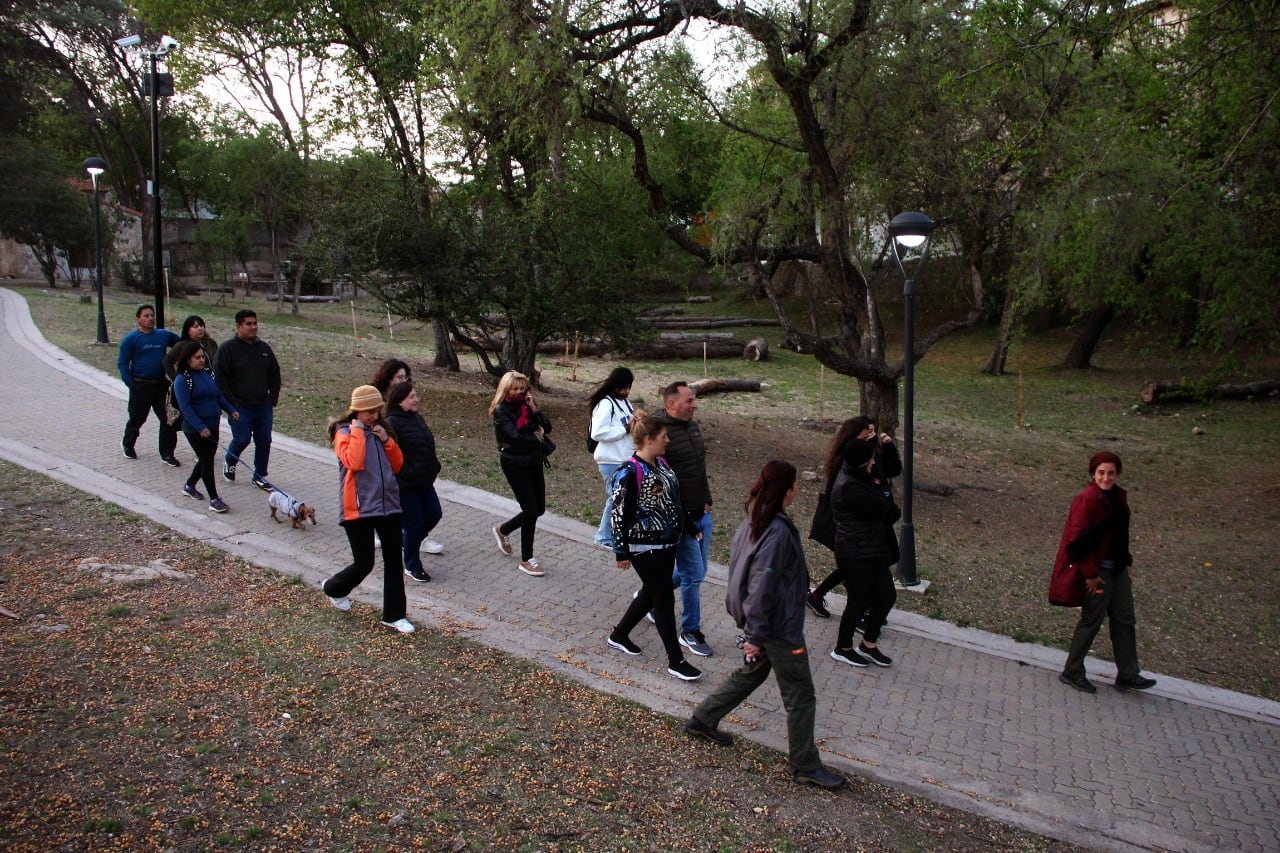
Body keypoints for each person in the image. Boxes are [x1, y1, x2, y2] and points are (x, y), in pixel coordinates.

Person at [685, 460, 846, 790]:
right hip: (778, 628)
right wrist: (756, 635)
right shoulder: (774, 531)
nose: (798, 491)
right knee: (801, 695)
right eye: (796, 486)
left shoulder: (755, 519)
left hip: (767, 624)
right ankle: (806, 764)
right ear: (787, 491)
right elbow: (762, 585)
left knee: (750, 675)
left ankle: (703, 718)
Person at [606, 410, 703, 682]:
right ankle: (676, 660)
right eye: (663, 436)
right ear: (648, 439)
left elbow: (674, 499)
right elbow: (618, 514)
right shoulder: (629, 472)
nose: (668, 440)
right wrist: (621, 551)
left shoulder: (662, 464)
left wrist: (690, 527)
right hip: (644, 548)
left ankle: (619, 634)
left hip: (667, 543)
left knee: (651, 592)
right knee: (663, 599)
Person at [1057, 451, 1157, 694]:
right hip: (1098, 572)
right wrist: (1090, 574)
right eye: (1101, 472)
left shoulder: (1119, 499)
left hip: (1118, 569)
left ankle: (1128, 674)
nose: (1106, 477)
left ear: (1117, 474)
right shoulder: (1087, 500)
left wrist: (1127, 563)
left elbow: (1121, 536)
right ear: (1093, 474)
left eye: (1111, 473)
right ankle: (1072, 671)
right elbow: (1078, 541)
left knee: (1125, 619)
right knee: (1091, 620)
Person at [321, 385, 414, 634]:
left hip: (389, 506)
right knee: (364, 563)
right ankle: (334, 588)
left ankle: (394, 615)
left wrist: (386, 440)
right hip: (358, 510)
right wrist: (358, 432)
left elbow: (397, 465)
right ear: (356, 411)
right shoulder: (344, 433)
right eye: (368, 412)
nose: (374, 415)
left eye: (376, 410)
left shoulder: (381, 431)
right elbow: (354, 462)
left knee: (395, 560)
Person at [807, 416, 901, 619]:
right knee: (861, 565)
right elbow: (861, 486)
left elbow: (892, 470)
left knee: (861, 564)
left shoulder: (869, 452)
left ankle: (820, 596)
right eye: (869, 432)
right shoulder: (851, 457)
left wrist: (887, 448)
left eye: (874, 432)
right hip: (854, 524)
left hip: (869, 522)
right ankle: (861, 611)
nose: (872, 436)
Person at [828, 441, 901, 668]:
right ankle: (843, 647)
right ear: (861, 463)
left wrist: (883, 492)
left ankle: (869, 643)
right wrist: (884, 493)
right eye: (870, 459)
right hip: (855, 551)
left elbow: (885, 507)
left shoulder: (860, 478)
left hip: (872, 549)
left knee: (887, 595)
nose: (874, 462)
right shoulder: (850, 486)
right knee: (858, 602)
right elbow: (883, 508)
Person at [656, 380, 715, 657]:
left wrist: (706, 500)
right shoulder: (660, 433)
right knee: (694, 575)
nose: (694, 405)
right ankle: (690, 631)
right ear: (672, 404)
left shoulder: (692, 427)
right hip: (680, 519)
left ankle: (652, 598)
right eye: (689, 400)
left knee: (695, 570)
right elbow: (659, 479)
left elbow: (698, 468)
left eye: (693, 400)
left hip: (701, 513)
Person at [489, 371, 552, 576]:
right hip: (514, 463)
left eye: (522, 388)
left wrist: (535, 409)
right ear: (506, 389)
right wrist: (536, 436)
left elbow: (547, 428)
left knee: (539, 508)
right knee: (531, 510)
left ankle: (503, 529)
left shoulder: (527, 407)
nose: (519, 392)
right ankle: (527, 559)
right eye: (515, 389)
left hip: (534, 461)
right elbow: (514, 438)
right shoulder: (501, 411)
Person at [213, 309, 281, 490]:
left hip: (263, 406)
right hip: (239, 406)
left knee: (264, 440)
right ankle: (230, 460)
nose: (253, 327)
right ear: (238, 326)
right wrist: (230, 403)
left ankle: (260, 476)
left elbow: (275, 373)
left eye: (255, 323)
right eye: (248, 324)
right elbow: (220, 378)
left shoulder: (264, 349)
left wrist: (272, 398)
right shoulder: (227, 349)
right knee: (242, 439)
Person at [170, 341, 240, 513]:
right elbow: (185, 407)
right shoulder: (182, 380)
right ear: (188, 359)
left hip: (212, 424)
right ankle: (214, 499)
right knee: (207, 461)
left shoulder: (208, 373)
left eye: (203, 357)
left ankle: (189, 485)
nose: (202, 360)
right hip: (194, 428)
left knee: (205, 458)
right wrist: (200, 427)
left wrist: (231, 410)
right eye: (197, 357)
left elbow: (217, 396)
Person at [385, 381, 444, 582]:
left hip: (424, 480)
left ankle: (406, 542)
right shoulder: (392, 422)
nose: (416, 399)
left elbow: (426, 443)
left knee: (434, 513)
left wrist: (434, 465)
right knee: (414, 524)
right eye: (411, 397)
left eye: (416, 396)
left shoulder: (416, 418)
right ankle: (412, 565)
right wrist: (407, 472)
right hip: (405, 484)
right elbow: (393, 455)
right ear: (399, 401)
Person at [117, 304, 181, 465]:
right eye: (146, 316)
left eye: (152, 315)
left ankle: (167, 453)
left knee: (169, 418)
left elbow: (182, 344)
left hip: (160, 385)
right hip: (140, 386)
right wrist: (131, 383)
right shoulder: (131, 339)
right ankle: (127, 444)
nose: (150, 318)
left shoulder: (163, 335)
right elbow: (123, 363)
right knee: (137, 419)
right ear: (138, 318)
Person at [588, 366, 636, 548]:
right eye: (623, 387)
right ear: (615, 385)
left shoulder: (625, 403)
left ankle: (615, 534)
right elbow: (597, 432)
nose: (626, 391)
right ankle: (604, 536)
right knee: (616, 498)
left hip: (625, 458)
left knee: (622, 498)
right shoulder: (606, 404)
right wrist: (624, 429)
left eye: (629, 387)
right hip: (610, 460)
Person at [163, 315, 218, 381]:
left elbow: (218, 360)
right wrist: (176, 379)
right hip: (194, 383)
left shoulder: (210, 342)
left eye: (201, 325)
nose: (200, 328)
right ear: (188, 331)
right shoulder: (182, 345)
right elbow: (167, 362)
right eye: (196, 327)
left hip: (213, 381)